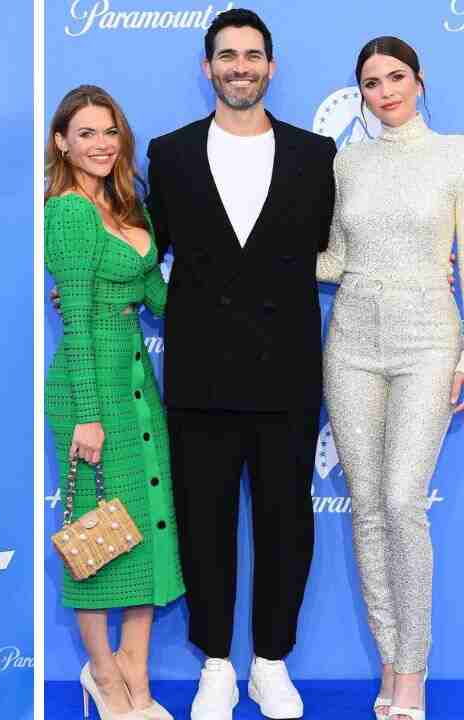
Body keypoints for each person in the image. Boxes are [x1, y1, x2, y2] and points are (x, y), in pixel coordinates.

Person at [144, 9, 336, 719]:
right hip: (200, 374)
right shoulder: (169, 154)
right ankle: (217, 666)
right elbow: (148, 248)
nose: (240, 67)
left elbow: (333, 246)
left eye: (252, 55)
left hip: (288, 371)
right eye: (227, 56)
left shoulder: (317, 155)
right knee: (204, 523)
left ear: (271, 66)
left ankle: (271, 663)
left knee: (287, 524)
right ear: (208, 67)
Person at [315, 36, 464, 720]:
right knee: (369, 507)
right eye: (371, 83)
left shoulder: (455, 154)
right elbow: (333, 259)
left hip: (428, 338)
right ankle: (388, 658)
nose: (385, 92)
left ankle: (414, 669)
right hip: (350, 341)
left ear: (420, 80)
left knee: (403, 502)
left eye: (396, 77)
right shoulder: (347, 162)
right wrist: (239, 257)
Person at [45, 84, 182, 720]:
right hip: (89, 385)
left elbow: (157, 297)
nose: (101, 144)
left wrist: (228, 297)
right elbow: (75, 320)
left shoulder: (128, 205)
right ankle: (103, 673)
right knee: (97, 533)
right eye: (86, 134)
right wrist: (88, 416)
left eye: (110, 132)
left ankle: (136, 669)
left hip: (135, 382)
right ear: (61, 143)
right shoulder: (69, 213)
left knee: (146, 520)